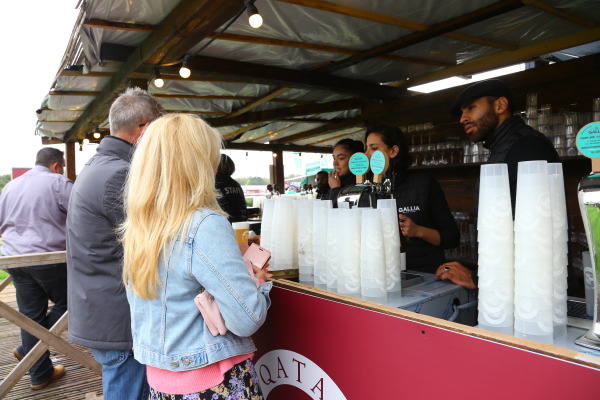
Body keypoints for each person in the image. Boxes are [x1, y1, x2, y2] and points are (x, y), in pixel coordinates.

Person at [120, 113, 272, 399]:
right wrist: (259, 280)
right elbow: (247, 318)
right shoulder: (204, 224)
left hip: (162, 382)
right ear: (198, 163)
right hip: (214, 382)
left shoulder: (138, 226)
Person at [66, 87, 164, 400]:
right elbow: (158, 241)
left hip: (103, 310)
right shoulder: (120, 174)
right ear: (145, 129)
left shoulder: (99, 166)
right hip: (120, 318)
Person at [436, 79, 560, 288]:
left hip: (532, 292)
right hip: (513, 288)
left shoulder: (527, 147)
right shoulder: (507, 147)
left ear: (500, 106)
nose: (463, 118)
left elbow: (533, 232)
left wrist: (478, 278)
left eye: (471, 108)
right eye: (461, 112)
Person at [0, 148, 71, 390]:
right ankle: (29, 350)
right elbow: (81, 217)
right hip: (48, 258)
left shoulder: (11, 186)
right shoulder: (58, 182)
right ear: (56, 165)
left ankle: (39, 372)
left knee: (31, 315)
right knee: (73, 303)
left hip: (14, 261)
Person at [365, 126, 460, 273]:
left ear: (393, 151)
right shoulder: (368, 190)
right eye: (366, 148)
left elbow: (452, 238)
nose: (367, 154)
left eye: (373, 148)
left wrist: (417, 231)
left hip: (424, 275)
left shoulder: (423, 184)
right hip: (381, 274)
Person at [327, 138, 364, 207]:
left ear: (355, 159)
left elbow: (337, 213)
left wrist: (335, 190)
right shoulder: (336, 182)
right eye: (334, 158)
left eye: (341, 158)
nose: (335, 163)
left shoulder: (362, 184)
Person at [216, 154, 248, 223]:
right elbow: (243, 206)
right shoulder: (236, 184)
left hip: (225, 224)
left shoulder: (215, 183)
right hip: (240, 223)